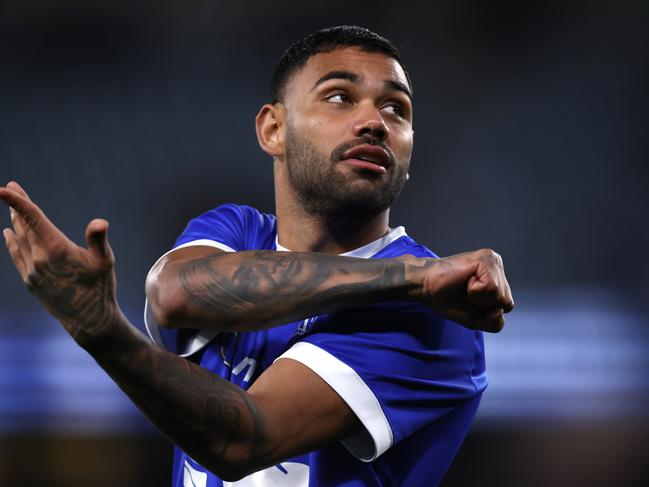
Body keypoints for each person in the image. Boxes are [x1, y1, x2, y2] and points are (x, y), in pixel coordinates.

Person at [0, 26, 513, 487]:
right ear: (273, 129)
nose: (374, 122)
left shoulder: (439, 315)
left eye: (396, 109)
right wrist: (409, 277)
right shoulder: (237, 230)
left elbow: (241, 440)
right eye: (339, 97)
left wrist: (100, 329)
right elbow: (174, 295)